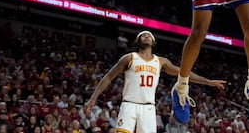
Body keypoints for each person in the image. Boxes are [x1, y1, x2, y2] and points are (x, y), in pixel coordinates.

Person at [83, 30, 225, 133]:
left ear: (153, 42)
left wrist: (207, 82)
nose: (146, 36)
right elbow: (108, 76)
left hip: (149, 108)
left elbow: (184, 73)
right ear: (138, 41)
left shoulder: (161, 62)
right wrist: (93, 98)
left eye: (149, 35)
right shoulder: (129, 58)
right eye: (143, 35)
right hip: (129, 105)